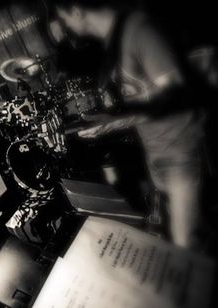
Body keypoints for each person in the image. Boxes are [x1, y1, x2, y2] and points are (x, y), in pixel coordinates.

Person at [52, 0, 207, 250]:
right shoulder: (116, 40)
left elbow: (177, 95)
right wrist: (107, 118)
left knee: (186, 250)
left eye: (64, 18)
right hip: (158, 153)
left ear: (77, 10)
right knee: (172, 245)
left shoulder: (141, 30)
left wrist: (117, 123)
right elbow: (144, 99)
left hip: (181, 153)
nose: (65, 25)